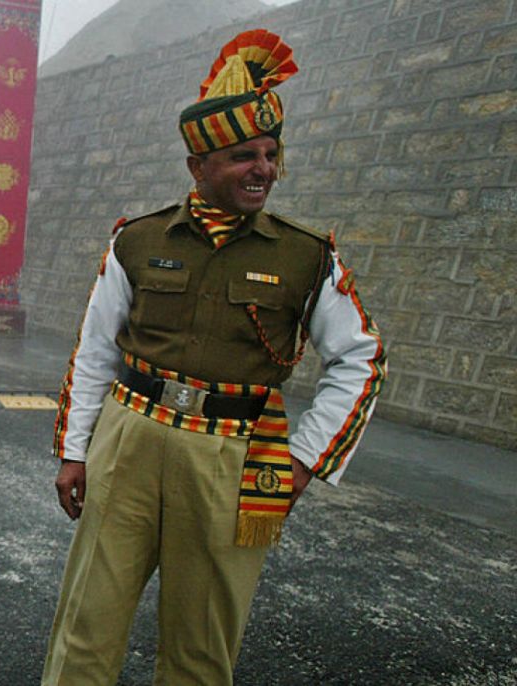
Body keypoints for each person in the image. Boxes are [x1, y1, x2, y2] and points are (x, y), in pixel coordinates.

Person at [42, 30, 386, 685]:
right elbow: (93, 353)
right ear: (198, 167)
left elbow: (362, 361)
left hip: (235, 458)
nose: (262, 169)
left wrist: (305, 460)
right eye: (241, 156)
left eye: (269, 154)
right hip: (129, 443)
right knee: (87, 628)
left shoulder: (306, 256)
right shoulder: (137, 240)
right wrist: (75, 449)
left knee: (201, 651)